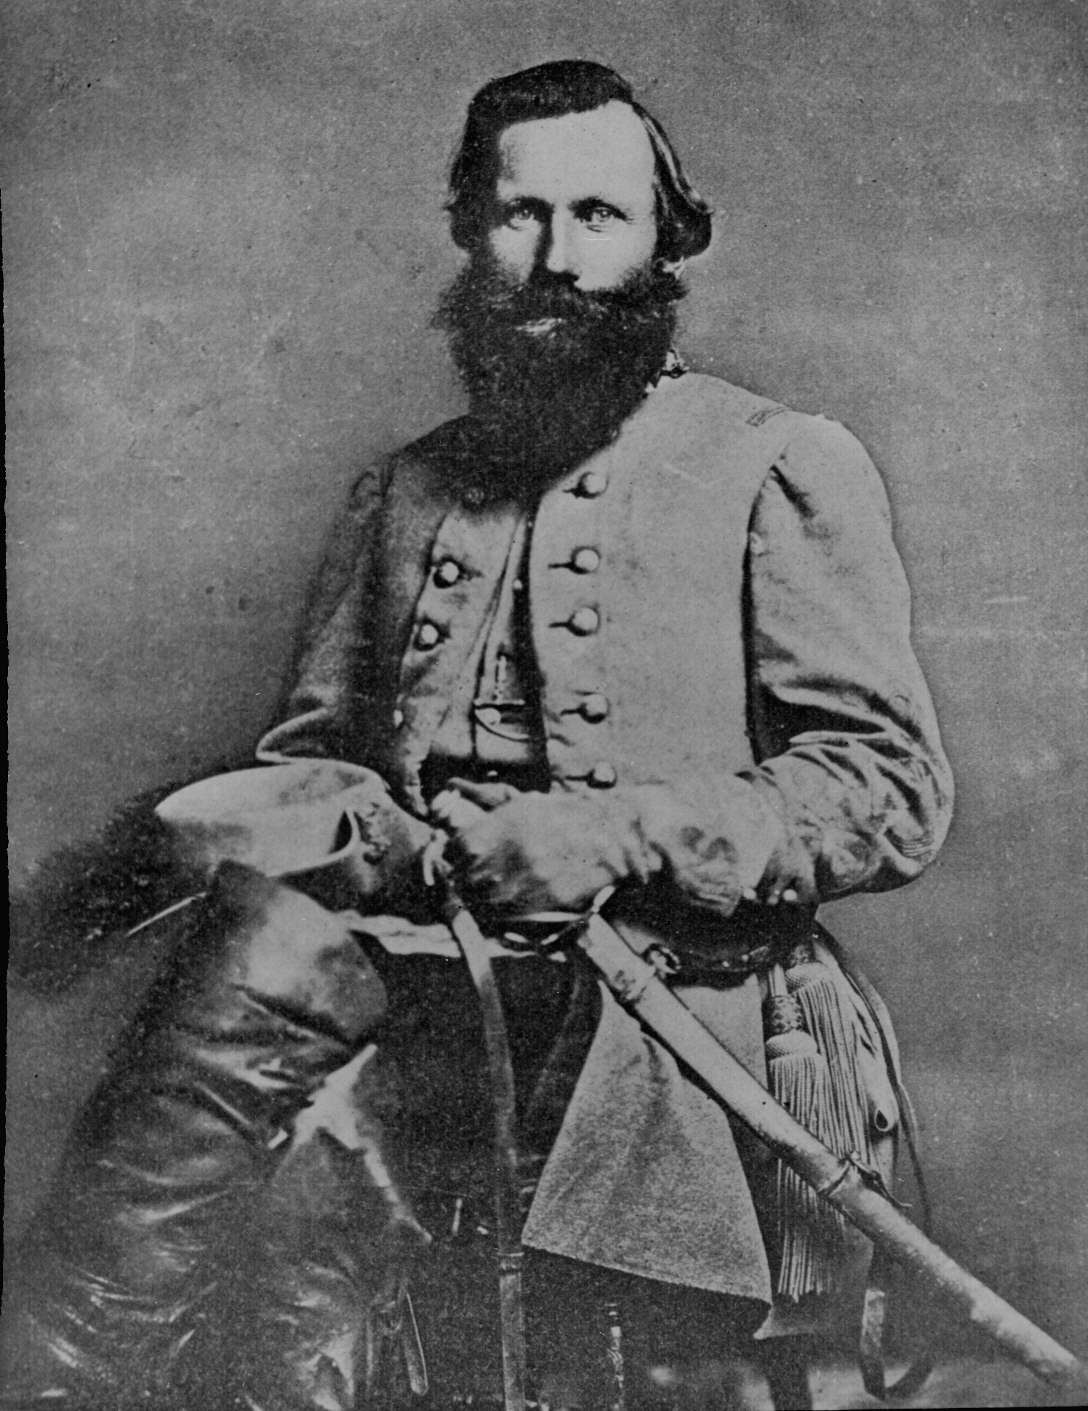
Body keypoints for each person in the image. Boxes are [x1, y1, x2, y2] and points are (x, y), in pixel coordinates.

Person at [1, 60, 953, 1410]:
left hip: (661, 997)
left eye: (599, 217)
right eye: (522, 214)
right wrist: (241, 831)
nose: (557, 259)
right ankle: (73, 1366)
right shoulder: (402, 489)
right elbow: (321, 763)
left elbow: (885, 788)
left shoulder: (774, 462)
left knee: (299, 1065)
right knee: (267, 993)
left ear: (664, 243)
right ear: (469, 229)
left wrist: (608, 835)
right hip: (411, 970)